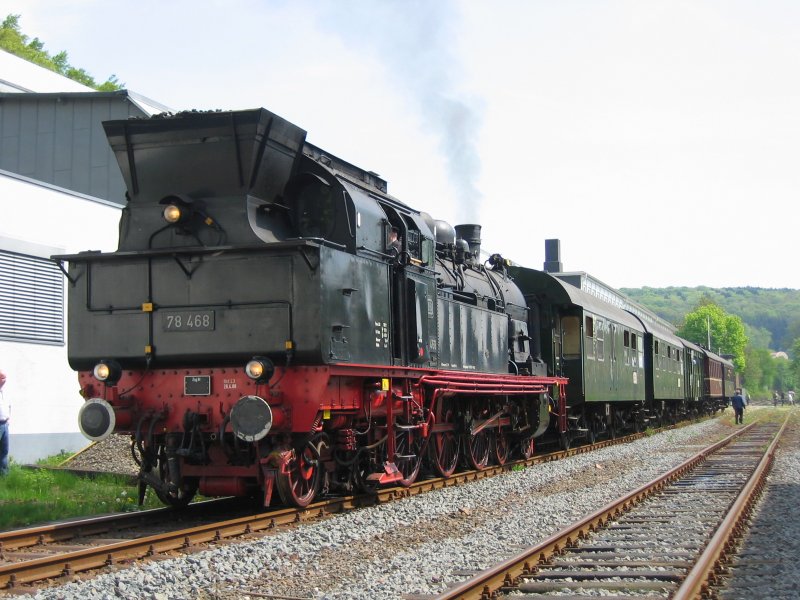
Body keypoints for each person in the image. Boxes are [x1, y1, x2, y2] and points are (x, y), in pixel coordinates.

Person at [0, 370, 9, 476]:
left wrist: (8, 418)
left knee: (4, 452)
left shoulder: (5, 392)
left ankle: (4, 476)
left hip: (5, 425)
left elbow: (8, 406)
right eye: (2, 378)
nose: (5, 380)